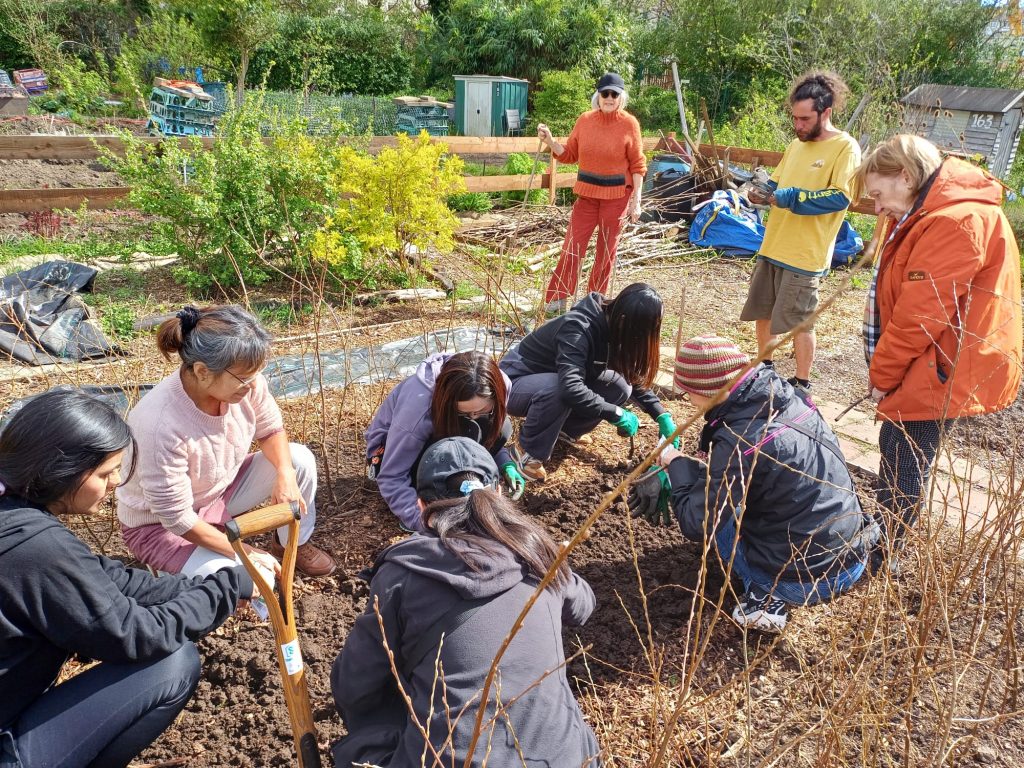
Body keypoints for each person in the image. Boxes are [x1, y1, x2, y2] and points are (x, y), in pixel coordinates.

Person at [0, 390, 253, 768]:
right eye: (105, 473)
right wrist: (225, 590)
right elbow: (136, 635)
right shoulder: (34, 547)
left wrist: (207, 583)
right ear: (59, 469)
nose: (117, 481)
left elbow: (106, 577)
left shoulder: (14, 517)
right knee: (170, 665)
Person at [331, 437, 601, 768]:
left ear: (421, 508)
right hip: (569, 759)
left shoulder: (406, 572)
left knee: (362, 745)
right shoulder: (536, 553)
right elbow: (583, 607)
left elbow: (353, 683)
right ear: (498, 493)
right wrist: (556, 565)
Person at [629, 335, 878, 632]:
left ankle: (765, 599)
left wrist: (677, 468)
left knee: (721, 520)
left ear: (707, 391)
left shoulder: (741, 439)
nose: (688, 400)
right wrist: (682, 463)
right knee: (729, 490)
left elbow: (698, 523)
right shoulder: (788, 397)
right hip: (852, 552)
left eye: (688, 393)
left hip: (806, 580)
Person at [856, 134, 1022, 555]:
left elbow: (921, 316)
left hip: (939, 363)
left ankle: (885, 552)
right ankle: (887, 534)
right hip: (933, 358)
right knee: (903, 451)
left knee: (904, 455)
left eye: (878, 194)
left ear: (907, 177)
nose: (876, 208)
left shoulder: (953, 221)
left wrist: (882, 374)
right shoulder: (930, 213)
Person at [117, 305, 336, 579]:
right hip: (160, 526)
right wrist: (245, 552)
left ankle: (290, 545)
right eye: (244, 378)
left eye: (256, 374)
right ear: (201, 371)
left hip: (217, 494)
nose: (253, 384)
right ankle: (172, 570)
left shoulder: (246, 384)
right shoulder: (158, 423)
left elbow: (271, 430)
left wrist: (285, 474)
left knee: (298, 460)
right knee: (245, 581)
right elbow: (176, 518)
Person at [740, 71, 861, 394]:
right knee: (762, 312)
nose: (798, 125)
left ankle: (802, 382)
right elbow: (777, 185)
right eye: (795, 118)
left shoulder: (845, 148)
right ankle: (764, 369)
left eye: (805, 119)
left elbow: (840, 197)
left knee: (799, 322)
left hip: (805, 254)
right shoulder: (796, 145)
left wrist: (790, 198)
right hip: (774, 244)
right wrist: (760, 194)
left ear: (826, 112)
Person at [499, 282, 678, 482]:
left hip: (554, 379)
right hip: (515, 383)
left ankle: (564, 431)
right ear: (624, 321)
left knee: (620, 386)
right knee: (559, 389)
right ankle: (526, 452)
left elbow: (632, 378)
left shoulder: (615, 326)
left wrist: (660, 414)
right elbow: (570, 388)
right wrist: (616, 413)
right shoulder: (577, 328)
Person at [365, 350, 526, 531]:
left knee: (503, 425)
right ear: (447, 401)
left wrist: (505, 463)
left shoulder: (501, 384)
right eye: (465, 412)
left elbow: (491, 435)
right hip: (394, 452)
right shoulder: (417, 410)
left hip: (448, 429)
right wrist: (420, 518)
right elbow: (391, 476)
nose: (474, 416)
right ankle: (426, 492)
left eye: (482, 410)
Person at [537, 71, 646, 314]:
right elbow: (569, 154)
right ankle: (557, 299)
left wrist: (636, 200)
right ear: (598, 96)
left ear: (621, 97)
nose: (609, 98)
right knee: (572, 246)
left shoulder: (630, 124)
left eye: (614, 94)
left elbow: (638, 165)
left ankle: (594, 303)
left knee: (605, 253)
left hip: (617, 198)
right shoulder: (585, 121)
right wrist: (551, 141)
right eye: (605, 93)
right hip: (586, 197)